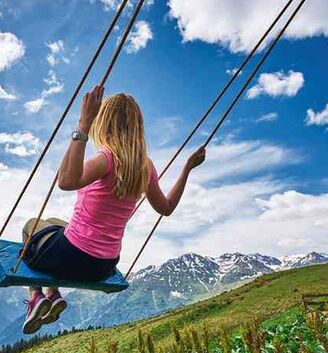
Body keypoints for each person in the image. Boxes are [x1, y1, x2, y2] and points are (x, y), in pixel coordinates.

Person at [21, 85, 206, 334]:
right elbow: (167, 208)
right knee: (54, 221)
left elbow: (66, 181)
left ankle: (37, 296)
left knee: (31, 226)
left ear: (104, 123)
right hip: (104, 265)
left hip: (72, 257)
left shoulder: (106, 159)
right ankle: (53, 296)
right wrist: (187, 168)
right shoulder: (145, 168)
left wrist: (83, 124)